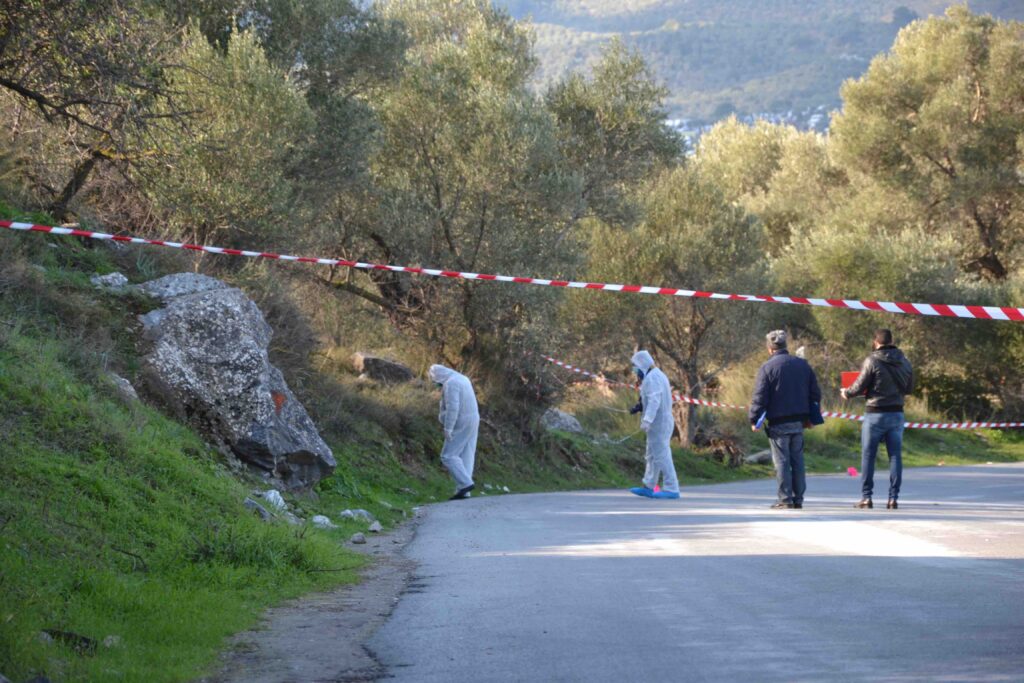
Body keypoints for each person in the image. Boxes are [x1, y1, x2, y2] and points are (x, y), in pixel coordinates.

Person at [840, 328, 914, 510]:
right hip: (897, 414)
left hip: (875, 414)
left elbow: (859, 385)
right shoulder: (905, 362)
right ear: (892, 341)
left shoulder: (872, 360)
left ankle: (867, 498)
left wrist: (846, 393)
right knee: (895, 456)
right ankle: (893, 498)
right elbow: (910, 388)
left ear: (876, 342)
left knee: (868, 456)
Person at [749, 330, 822, 510]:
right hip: (799, 422)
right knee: (797, 460)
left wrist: (754, 418)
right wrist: (811, 417)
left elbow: (760, 397)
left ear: (769, 349)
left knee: (781, 461)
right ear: (785, 346)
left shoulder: (767, 368)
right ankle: (798, 499)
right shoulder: (803, 365)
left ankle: (785, 499)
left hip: (778, 423)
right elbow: (815, 394)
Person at [628, 350, 681, 500]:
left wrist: (647, 419)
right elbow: (649, 398)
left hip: (659, 423)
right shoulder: (654, 376)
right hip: (657, 423)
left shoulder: (653, 378)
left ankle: (672, 488)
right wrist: (640, 406)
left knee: (662, 455)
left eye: (635, 367)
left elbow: (655, 401)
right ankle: (649, 485)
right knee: (651, 455)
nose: (634, 370)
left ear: (642, 364)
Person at [428, 364, 480, 500]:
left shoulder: (451, 383)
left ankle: (465, 483)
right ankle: (464, 491)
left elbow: (453, 407)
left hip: (461, 420)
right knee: (466, 454)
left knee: (448, 455)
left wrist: (448, 428)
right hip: (474, 418)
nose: (437, 385)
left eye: (436, 382)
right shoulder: (462, 378)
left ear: (439, 376)